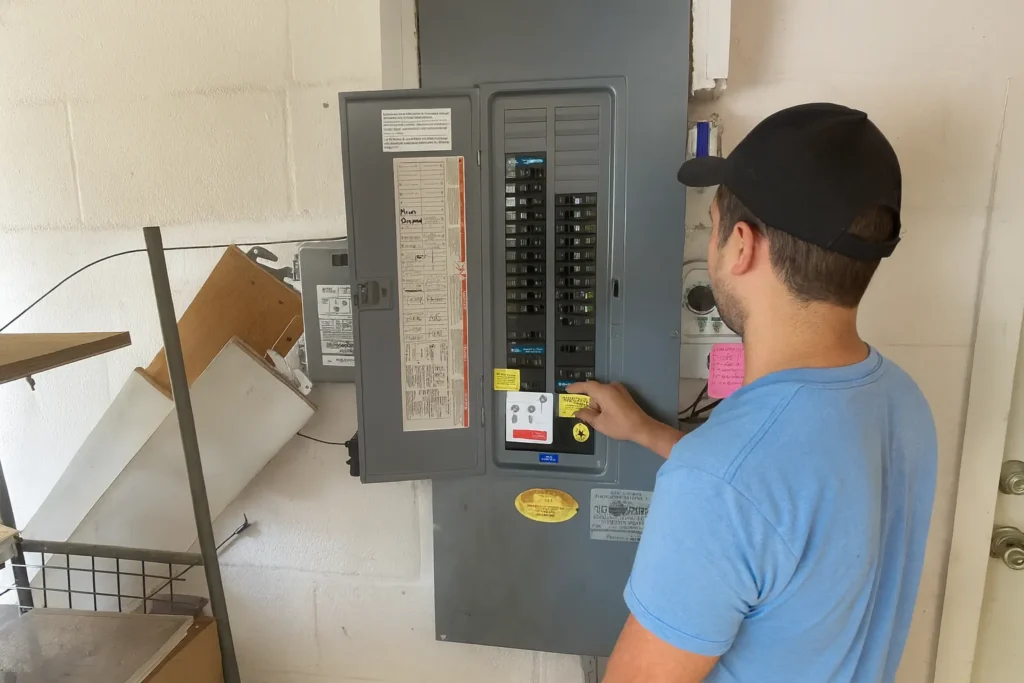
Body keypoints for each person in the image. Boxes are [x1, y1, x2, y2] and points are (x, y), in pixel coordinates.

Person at [567, 103, 937, 683]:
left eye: (710, 223)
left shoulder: (721, 483)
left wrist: (701, 468)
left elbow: (749, 494)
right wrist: (645, 431)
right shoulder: (899, 400)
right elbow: (784, 506)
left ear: (741, 244)